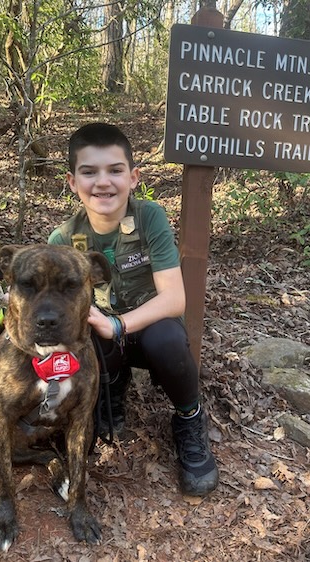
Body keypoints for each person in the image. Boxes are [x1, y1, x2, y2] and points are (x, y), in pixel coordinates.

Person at [48, 123, 219, 497]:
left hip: (147, 327)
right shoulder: (62, 240)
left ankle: (189, 419)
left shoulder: (149, 218)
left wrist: (119, 324)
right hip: (100, 337)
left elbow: (175, 299)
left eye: (115, 170)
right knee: (84, 336)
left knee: (168, 340)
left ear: (134, 177)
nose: (103, 182)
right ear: (72, 182)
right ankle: (109, 396)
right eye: (89, 172)